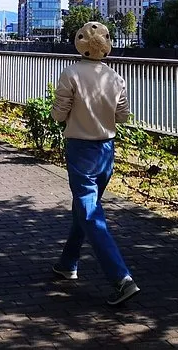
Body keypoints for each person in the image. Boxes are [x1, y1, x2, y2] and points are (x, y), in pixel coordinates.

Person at [50, 20, 138, 306]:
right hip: (106, 150)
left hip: (80, 148)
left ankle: (121, 278)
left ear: (80, 43)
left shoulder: (71, 73)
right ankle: (67, 264)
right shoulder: (115, 77)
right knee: (86, 207)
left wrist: (62, 111)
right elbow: (123, 116)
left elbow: (59, 114)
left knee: (89, 212)